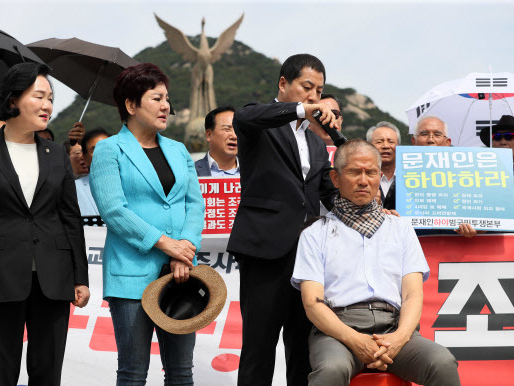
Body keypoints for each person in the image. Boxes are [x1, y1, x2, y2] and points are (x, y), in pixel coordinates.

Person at [0, 62, 90, 386]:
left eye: (50, 98)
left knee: (47, 373)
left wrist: (80, 276)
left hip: (54, 278)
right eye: (39, 96)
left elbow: (70, 218)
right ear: (13, 99)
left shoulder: (56, 153)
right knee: (0, 374)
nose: (47, 105)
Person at [292, 139, 460, 386]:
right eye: (354, 172)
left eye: (370, 172)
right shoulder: (315, 233)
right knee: (331, 370)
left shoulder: (400, 228)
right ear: (336, 179)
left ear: (380, 177)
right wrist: (356, 341)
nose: (363, 180)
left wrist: (399, 339)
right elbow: (312, 303)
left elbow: (412, 295)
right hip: (338, 331)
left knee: (442, 363)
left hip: (394, 329)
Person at [226, 53, 339, 386]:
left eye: (318, 91)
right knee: (259, 348)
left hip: (309, 258)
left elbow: (327, 196)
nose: (313, 96)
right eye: (307, 87)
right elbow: (245, 116)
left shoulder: (316, 144)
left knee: (303, 349)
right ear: (283, 84)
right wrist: (299, 110)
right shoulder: (259, 123)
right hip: (265, 251)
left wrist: (371, 212)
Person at [89, 63, 204, 385]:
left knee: (181, 371)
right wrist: (168, 245)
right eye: (157, 98)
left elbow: (194, 204)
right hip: (130, 277)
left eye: (167, 98)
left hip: (180, 274)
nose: (166, 106)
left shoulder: (179, 150)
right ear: (131, 105)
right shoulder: (109, 149)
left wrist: (185, 251)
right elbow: (113, 210)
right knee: (133, 372)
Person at [411, 115, 477, 237]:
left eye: (437, 134)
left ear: (447, 143)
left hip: (460, 247)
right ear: (413, 142)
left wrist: (478, 229)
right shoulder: (400, 178)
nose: (431, 140)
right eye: (424, 134)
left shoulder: (468, 175)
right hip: (418, 248)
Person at [195, 105, 239, 177]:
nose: (234, 136)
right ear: (209, 135)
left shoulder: (253, 171)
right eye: (227, 129)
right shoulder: (191, 172)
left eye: (237, 130)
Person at [75, 128, 111, 216]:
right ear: (85, 158)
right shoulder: (74, 189)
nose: (102, 153)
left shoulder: (131, 185)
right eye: (96, 149)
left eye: (107, 148)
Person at [366, 122, 401, 210]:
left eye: (391, 142)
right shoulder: (362, 178)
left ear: (399, 146)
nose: (386, 146)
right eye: (379, 142)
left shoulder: (410, 176)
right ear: (369, 146)